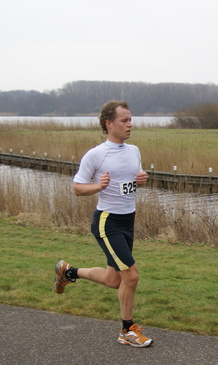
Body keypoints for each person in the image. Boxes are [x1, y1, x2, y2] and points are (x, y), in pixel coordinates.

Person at [54, 100, 152, 347]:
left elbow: (133, 178)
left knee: (114, 280)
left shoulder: (134, 151)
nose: (130, 125)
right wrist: (99, 185)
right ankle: (127, 330)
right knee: (131, 276)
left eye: (131, 120)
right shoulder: (96, 154)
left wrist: (142, 179)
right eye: (124, 120)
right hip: (107, 222)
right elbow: (77, 188)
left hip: (128, 219)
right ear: (109, 124)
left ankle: (68, 272)